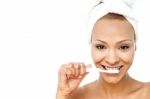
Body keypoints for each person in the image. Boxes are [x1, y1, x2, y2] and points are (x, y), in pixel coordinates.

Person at [56, 0, 150, 99]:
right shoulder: (75, 96)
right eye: (101, 47)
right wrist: (62, 94)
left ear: (135, 48)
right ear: (91, 47)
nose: (112, 60)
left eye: (123, 47)